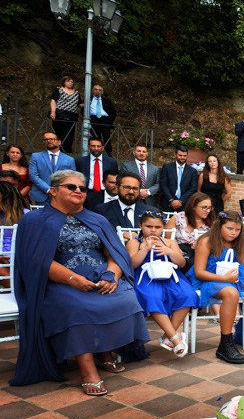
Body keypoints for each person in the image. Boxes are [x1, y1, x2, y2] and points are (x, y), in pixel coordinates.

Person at [9, 169, 149, 395]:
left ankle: (105, 351)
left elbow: (116, 253)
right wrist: (72, 279)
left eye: (82, 188)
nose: (78, 191)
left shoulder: (98, 219)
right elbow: (36, 261)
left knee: (126, 299)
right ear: (53, 191)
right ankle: (88, 368)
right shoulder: (34, 220)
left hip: (100, 277)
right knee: (77, 308)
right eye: (71, 187)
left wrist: (111, 275)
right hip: (58, 282)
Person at [192, 211, 244, 364]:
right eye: (230, 228)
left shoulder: (238, 242)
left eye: (237, 230)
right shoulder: (206, 241)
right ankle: (225, 344)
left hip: (236, 277)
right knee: (231, 293)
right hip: (211, 278)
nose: (234, 233)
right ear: (219, 226)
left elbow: (243, 266)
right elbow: (199, 272)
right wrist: (224, 278)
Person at [126, 210, 198, 357]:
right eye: (148, 226)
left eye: (157, 227)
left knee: (188, 294)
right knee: (152, 297)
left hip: (170, 276)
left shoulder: (170, 242)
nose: (153, 230)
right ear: (141, 225)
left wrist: (169, 252)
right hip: (146, 277)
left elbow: (183, 263)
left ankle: (168, 336)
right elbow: (132, 264)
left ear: (163, 227)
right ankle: (175, 338)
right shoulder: (135, 242)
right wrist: (145, 248)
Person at [165, 192, 214, 272]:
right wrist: (176, 249)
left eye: (210, 208)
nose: (208, 211)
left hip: (199, 257)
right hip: (177, 254)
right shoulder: (178, 218)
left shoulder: (211, 224)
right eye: (204, 207)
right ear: (193, 206)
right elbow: (167, 238)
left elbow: (215, 244)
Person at [28, 132, 76, 204]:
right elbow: (33, 175)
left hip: (61, 195)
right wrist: (48, 189)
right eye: (46, 139)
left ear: (59, 142)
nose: (48, 141)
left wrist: (59, 190)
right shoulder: (36, 157)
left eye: (51, 139)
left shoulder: (69, 159)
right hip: (41, 195)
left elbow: (71, 178)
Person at [158, 145, 199, 212]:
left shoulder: (192, 171)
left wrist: (181, 201)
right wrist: (171, 200)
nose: (182, 157)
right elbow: (163, 185)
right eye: (180, 155)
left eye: (184, 155)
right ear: (175, 154)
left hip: (185, 204)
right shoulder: (167, 167)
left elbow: (193, 188)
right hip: (168, 203)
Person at [49, 76, 82, 154]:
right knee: (58, 133)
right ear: (64, 82)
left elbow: (79, 104)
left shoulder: (76, 93)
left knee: (69, 135)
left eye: (71, 81)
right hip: (60, 114)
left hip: (72, 116)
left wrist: (89, 102)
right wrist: (53, 111)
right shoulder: (59, 90)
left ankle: (66, 151)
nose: (70, 83)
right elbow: (53, 100)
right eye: (68, 81)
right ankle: (55, 150)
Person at [88, 84, 116, 154]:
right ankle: (96, 152)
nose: (98, 91)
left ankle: (108, 153)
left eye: (100, 90)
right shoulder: (88, 99)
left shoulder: (107, 101)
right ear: (92, 91)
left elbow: (113, 112)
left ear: (102, 92)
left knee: (106, 137)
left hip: (104, 120)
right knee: (95, 137)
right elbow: (83, 110)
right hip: (93, 119)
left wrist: (109, 121)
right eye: (96, 89)